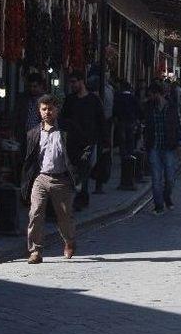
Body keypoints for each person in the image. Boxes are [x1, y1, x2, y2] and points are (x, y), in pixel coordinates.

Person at [21, 94, 87, 264]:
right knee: (35, 213)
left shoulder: (67, 129)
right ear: (39, 111)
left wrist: (80, 165)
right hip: (41, 178)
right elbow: (29, 157)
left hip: (61, 179)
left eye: (50, 108)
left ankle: (69, 241)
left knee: (64, 216)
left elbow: (85, 146)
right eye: (44, 109)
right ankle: (35, 250)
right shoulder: (33, 133)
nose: (47, 112)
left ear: (57, 109)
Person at [61, 70, 106, 211]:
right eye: (71, 82)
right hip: (73, 141)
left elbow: (101, 121)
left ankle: (81, 198)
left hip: (88, 142)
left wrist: (104, 142)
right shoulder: (70, 100)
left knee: (83, 168)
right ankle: (82, 195)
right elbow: (63, 118)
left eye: (74, 82)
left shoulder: (94, 100)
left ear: (82, 82)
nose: (72, 85)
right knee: (74, 169)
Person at [144, 84, 181, 215]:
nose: (149, 98)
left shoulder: (172, 107)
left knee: (170, 178)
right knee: (156, 178)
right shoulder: (149, 107)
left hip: (169, 147)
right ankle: (158, 206)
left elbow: (178, 125)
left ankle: (167, 197)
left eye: (151, 95)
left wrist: (180, 144)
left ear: (157, 94)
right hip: (154, 146)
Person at [15, 72, 45, 153]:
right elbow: (17, 116)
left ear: (41, 86)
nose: (32, 89)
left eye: (35, 86)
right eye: (30, 86)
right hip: (24, 136)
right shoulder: (23, 99)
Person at [113, 81, 143, 162]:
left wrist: (115, 117)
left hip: (121, 120)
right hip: (131, 120)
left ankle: (123, 154)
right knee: (130, 137)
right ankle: (130, 153)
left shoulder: (118, 97)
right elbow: (139, 109)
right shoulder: (133, 98)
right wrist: (138, 118)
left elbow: (115, 109)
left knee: (122, 138)